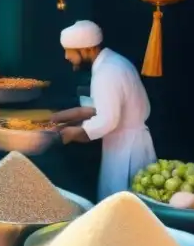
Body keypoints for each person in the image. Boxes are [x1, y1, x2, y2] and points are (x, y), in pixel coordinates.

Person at [50, 20, 156, 201]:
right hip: (124, 144)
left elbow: (107, 120)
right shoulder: (114, 62)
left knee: (122, 210)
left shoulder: (108, 71)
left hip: (126, 152)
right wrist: (57, 118)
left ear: (88, 49)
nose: (66, 56)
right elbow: (98, 108)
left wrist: (71, 134)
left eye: (70, 50)